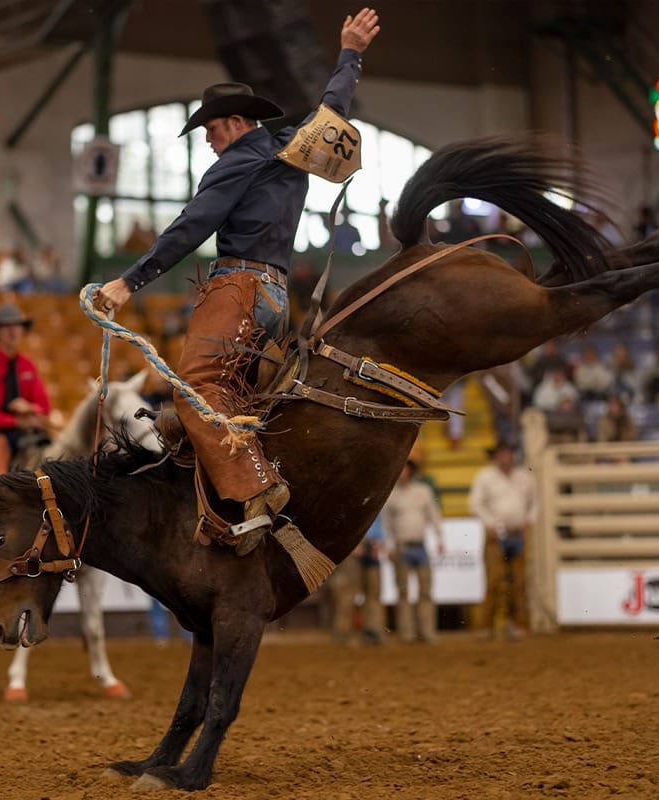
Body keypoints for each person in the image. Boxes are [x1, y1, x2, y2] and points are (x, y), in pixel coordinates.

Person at [93, 8, 380, 556]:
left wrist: (129, 283)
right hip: (274, 299)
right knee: (241, 402)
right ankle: (223, 501)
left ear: (232, 121)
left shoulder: (235, 163)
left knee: (197, 390)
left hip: (238, 288)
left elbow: (192, 226)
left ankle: (256, 492)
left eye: (207, 128)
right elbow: (334, 109)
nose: (206, 140)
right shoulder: (292, 150)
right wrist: (349, 53)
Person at [0, 303, 51, 562]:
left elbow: (44, 407)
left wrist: (29, 409)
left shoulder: (28, 366)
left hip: (27, 435)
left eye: (17, 327)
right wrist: (16, 421)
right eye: (7, 328)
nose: (13, 332)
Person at [469, 440, 536, 641]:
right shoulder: (485, 477)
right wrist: (490, 524)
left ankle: (517, 626)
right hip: (496, 535)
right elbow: (475, 504)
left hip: (516, 533)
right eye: (502, 454)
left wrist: (528, 521)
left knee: (518, 582)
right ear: (496, 456)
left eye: (507, 453)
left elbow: (535, 503)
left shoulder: (524, 477)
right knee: (494, 581)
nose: (505, 457)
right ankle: (487, 627)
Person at [382, 459, 443, 643]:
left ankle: (427, 631)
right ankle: (407, 633)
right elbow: (387, 525)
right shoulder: (391, 495)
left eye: (405, 469)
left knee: (425, 590)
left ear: (410, 472)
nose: (402, 473)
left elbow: (434, 515)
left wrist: (440, 538)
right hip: (402, 547)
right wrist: (390, 546)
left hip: (419, 545)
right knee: (404, 592)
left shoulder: (423, 491)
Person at [327, 514, 386, 646]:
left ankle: (373, 632)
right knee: (347, 593)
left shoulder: (377, 497)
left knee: (373, 593)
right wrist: (350, 543)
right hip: (353, 545)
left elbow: (379, 522)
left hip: (372, 546)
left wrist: (380, 542)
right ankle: (342, 634)